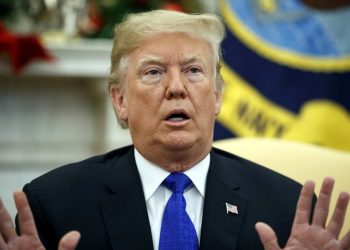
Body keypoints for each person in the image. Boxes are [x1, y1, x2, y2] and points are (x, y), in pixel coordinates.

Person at [0, 10, 349, 250]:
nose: (176, 87)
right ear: (120, 100)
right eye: (153, 72)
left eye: (194, 71)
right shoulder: (54, 207)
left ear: (216, 97)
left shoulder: (286, 210)